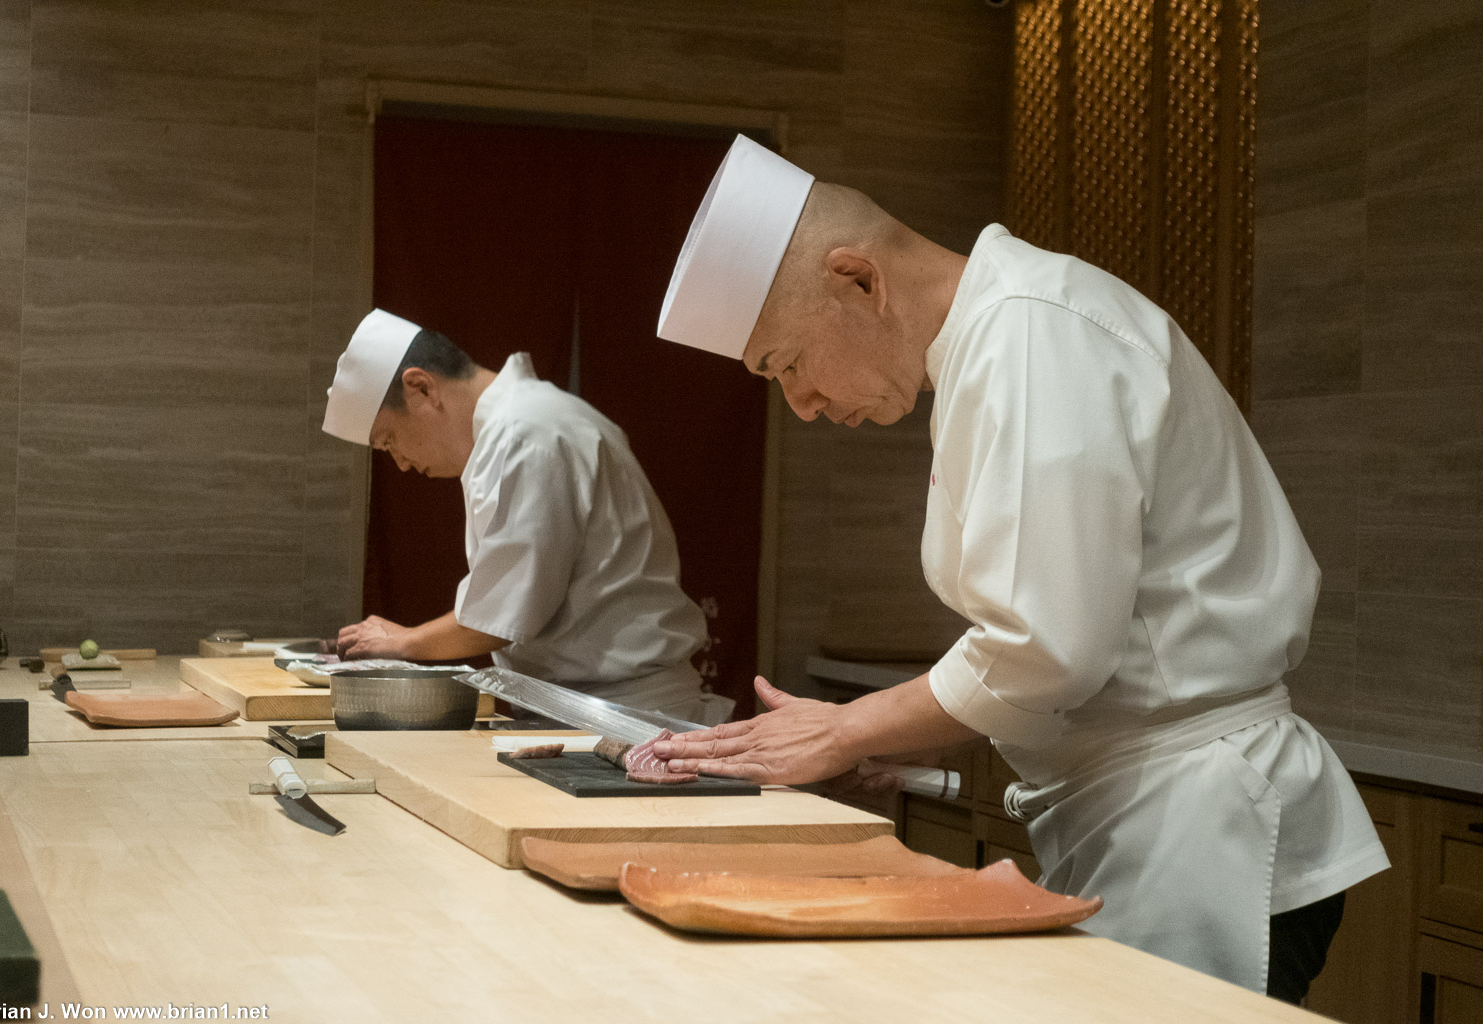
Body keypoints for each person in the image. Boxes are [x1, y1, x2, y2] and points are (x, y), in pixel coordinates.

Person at [651, 135, 1389, 999]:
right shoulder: (991, 343)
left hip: (1210, 830)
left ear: (857, 279)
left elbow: (1046, 647)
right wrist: (893, 736)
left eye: (786, 364)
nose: (803, 405)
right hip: (1149, 814)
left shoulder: (1032, 331)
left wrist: (847, 728)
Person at [323, 309, 729, 723]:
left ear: (421, 388)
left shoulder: (525, 434)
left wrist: (406, 642)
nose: (402, 464)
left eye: (389, 441)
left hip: (624, 711)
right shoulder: (524, 421)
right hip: (590, 705)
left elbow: (500, 616)